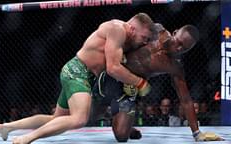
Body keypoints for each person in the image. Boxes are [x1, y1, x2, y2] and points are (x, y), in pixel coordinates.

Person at [0, 13, 154, 144]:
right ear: (132, 29)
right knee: (79, 119)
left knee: (57, 118)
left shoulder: (126, 39)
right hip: (78, 71)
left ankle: (7, 127)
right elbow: (113, 68)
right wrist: (139, 82)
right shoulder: (117, 29)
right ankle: (27, 138)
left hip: (81, 74)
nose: (144, 42)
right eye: (144, 37)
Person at [93, 23, 224, 142]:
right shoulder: (155, 30)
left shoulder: (174, 67)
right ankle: (116, 116)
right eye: (178, 42)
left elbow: (185, 99)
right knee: (90, 114)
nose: (178, 48)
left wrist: (197, 133)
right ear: (174, 32)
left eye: (184, 48)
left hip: (129, 88)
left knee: (121, 136)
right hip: (114, 71)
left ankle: (123, 124)